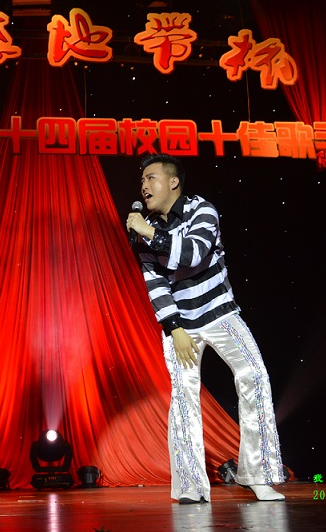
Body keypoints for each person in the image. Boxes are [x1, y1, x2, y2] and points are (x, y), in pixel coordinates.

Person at [126, 153, 285, 504]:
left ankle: (257, 475)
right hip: (181, 324)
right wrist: (174, 328)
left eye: (151, 178)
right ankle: (191, 487)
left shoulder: (202, 210)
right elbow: (155, 283)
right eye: (142, 181)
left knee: (255, 377)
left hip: (221, 313)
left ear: (173, 182)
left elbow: (193, 254)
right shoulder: (144, 230)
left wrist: (148, 232)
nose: (144, 186)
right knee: (183, 397)